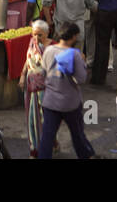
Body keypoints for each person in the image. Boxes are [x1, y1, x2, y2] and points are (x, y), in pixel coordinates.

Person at [37, 23, 96, 159]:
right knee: (77, 135)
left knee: (47, 138)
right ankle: (87, 155)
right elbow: (81, 78)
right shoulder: (75, 55)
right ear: (74, 37)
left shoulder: (49, 50)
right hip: (70, 103)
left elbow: (43, 72)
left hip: (50, 101)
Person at [19, 18, 51, 158]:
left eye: (40, 35)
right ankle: (34, 149)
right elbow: (28, 59)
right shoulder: (32, 43)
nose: (36, 38)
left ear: (46, 34)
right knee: (32, 119)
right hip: (31, 87)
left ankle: (48, 145)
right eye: (34, 34)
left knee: (45, 120)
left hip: (45, 89)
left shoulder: (51, 48)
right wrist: (22, 75)